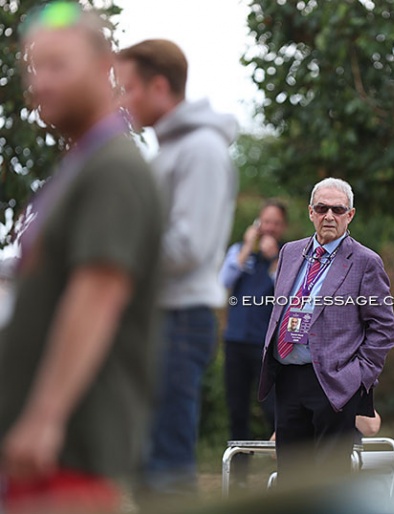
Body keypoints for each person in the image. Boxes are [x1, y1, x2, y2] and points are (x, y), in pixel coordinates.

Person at [0, 3, 163, 512]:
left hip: (73, 449)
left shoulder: (114, 168)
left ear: (103, 66)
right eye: (33, 68)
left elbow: (98, 294)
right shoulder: (82, 164)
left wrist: (44, 417)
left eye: (57, 66)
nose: (40, 83)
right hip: (44, 453)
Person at [115, 39, 239, 493]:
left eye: (128, 88)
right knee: (146, 471)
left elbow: (188, 245)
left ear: (160, 86)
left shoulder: (202, 149)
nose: (122, 100)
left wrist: (113, 257)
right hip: (157, 318)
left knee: (166, 470)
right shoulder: (166, 150)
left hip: (180, 319)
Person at [258, 177, 394, 486]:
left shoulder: (365, 261)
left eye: (338, 209)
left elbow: (384, 328)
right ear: (311, 212)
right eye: (322, 208)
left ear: (350, 215)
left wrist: (358, 376)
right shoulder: (290, 253)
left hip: (335, 381)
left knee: (330, 481)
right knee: (291, 479)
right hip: (289, 374)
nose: (329, 216)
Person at [219, 200, 288, 485]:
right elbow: (224, 280)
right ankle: (238, 479)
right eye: (265, 221)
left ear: (282, 227)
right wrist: (248, 246)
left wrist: (273, 261)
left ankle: (286, 471)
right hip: (235, 342)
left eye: (275, 222)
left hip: (267, 346)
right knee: (238, 410)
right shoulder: (239, 251)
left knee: (275, 409)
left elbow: (288, 291)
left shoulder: (288, 256)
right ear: (257, 223)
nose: (269, 227)